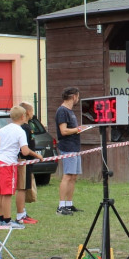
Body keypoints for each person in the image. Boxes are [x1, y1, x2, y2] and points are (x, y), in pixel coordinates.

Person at [0, 105, 41, 229]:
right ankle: (8, 221)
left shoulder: (4, 128)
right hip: (8, 163)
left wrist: (4, 148)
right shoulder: (20, 131)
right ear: (23, 116)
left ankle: (1, 219)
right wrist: (37, 155)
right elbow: (24, 151)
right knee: (7, 193)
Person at [55, 87, 85, 215]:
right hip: (68, 147)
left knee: (73, 176)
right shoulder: (62, 111)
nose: (78, 99)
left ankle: (69, 204)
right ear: (74, 96)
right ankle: (61, 206)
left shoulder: (70, 111)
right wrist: (78, 129)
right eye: (77, 96)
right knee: (67, 176)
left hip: (75, 146)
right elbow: (64, 131)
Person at [13, 101, 39, 225]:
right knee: (22, 188)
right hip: (24, 161)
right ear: (28, 112)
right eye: (32, 111)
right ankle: (20, 215)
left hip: (28, 161)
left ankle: (23, 212)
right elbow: (25, 148)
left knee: (25, 187)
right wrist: (37, 155)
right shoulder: (24, 128)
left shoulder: (27, 127)